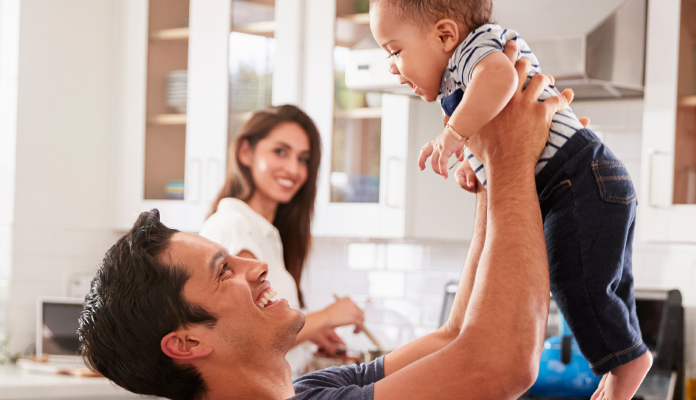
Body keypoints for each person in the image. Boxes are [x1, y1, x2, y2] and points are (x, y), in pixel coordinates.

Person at [78, 48, 573, 400]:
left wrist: (492, 169)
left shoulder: (307, 389)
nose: (252, 266)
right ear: (187, 343)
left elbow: (453, 337)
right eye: (223, 270)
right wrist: (510, 161)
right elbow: (498, 366)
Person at [369, 1, 651, 398]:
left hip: (577, 177)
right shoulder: (459, 76)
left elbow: (500, 80)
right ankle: (626, 356)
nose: (393, 68)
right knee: (605, 285)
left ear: (445, 35)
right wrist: (477, 165)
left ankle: (624, 362)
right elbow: (499, 130)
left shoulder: (476, 51)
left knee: (576, 280)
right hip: (585, 179)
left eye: (395, 51)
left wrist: (455, 137)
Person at [198, 104, 365, 375]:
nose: (294, 169)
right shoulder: (237, 226)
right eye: (280, 152)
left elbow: (265, 330)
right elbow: (246, 340)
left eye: (303, 159)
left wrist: (309, 331)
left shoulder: (265, 232)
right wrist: (327, 317)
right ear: (245, 153)